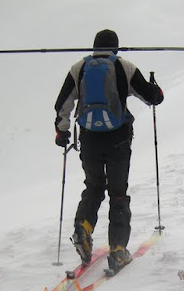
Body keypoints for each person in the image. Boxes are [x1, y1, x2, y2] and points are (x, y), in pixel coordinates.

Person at [54, 29, 164, 273]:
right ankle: (118, 250)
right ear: (116, 47)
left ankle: (83, 228)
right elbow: (152, 97)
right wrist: (156, 90)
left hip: (89, 138)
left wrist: (62, 132)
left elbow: (63, 104)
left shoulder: (79, 68)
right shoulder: (124, 67)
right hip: (118, 139)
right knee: (117, 193)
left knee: (94, 187)